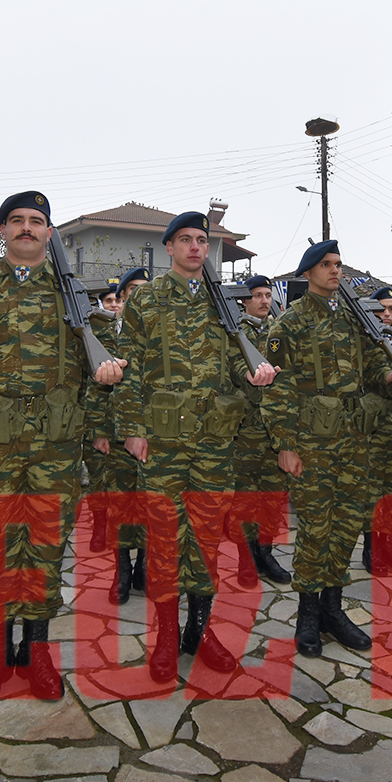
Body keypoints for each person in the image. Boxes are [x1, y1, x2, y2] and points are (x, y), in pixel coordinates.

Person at [0, 191, 124, 710]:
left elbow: (100, 367)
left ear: (49, 233)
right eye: (16, 220)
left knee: (44, 546)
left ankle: (36, 650)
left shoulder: (73, 294)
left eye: (37, 221)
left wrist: (107, 377)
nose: (27, 228)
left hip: (55, 445)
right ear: (2, 230)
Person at [114, 211, 276, 682]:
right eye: (184, 239)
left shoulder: (222, 304)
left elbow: (234, 366)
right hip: (163, 441)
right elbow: (133, 369)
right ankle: (166, 636)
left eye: (201, 240)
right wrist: (132, 429)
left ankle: (199, 631)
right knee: (165, 540)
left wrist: (251, 375)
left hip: (212, 443)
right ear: (169, 248)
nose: (194, 247)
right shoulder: (147, 301)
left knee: (206, 538)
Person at [261, 240, 392, 658]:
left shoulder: (353, 319)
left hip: (353, 441)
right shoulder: (289, 325)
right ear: (308, 272)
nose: (335, 270)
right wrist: (285, 445)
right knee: (316, 530)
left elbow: (371, 365)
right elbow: (279, 391)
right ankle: (308, 616)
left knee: (348, 524)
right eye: (326, 265)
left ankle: (334, 609)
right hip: (312, 444)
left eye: (337, 264)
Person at [231, 275, 292, 587]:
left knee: (272, 496)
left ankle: (265, 552)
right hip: (243, 431)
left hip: (274, 430)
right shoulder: (233, 332)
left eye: (268, 294)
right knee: (244, 498)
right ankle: (245, 556)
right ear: (244, 300)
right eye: (257, 295)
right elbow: (229, 370)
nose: (264, 300)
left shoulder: (278, 332)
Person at [94, 267, 150, 602]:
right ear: (123, 296)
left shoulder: (160, 330)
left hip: (155, 432)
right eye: (134, 291)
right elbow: (94, 387)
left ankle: (144, 566)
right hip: (117, 434)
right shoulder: (104, 334)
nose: (140, 297)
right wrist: (100, 430)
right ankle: (122, 572)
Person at [360, 286, 392, 577]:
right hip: (374, 428)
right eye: (383, 309)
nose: (389, 314)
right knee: (373, 493)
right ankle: (371, 548)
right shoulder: (366, 341)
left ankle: (388, 545)